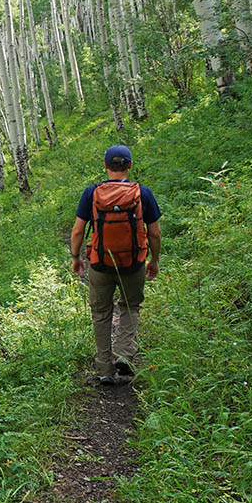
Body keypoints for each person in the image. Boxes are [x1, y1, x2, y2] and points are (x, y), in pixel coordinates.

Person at [69, 145, 161, 384]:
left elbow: (78, 230)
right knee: (130, 307)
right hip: (133, 262)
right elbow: (155, 233)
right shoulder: (143, 193)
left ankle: (104, 369)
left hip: (100, 264)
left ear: (105, 165)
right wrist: (154, 260)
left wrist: (76, 257)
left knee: (101, 313)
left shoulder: (91, 193)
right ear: (129, 165)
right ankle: (125, 355)